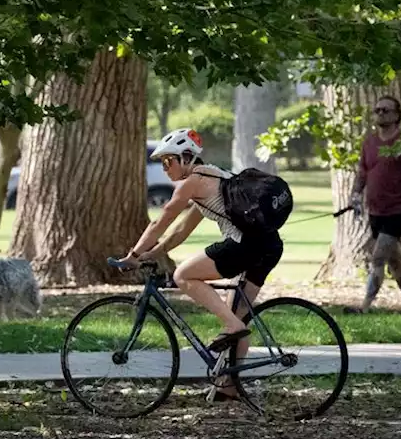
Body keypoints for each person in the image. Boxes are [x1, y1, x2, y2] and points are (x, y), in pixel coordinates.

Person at [118, 127, 285, 401]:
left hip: (244, 245)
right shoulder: (212, 177)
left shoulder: (192, 182)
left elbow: (163, 219)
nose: (165, 168)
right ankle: (229, 387)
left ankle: (233, 327)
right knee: (237, 313)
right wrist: (156, 252)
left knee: (184, 275)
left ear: (185, 157)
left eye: (168, 161)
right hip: (268, 245)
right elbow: (182, 230)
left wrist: (134, 255)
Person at [345, 95, 401, 315]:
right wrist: (355, 195)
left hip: (398, 211)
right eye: (377, 110)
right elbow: (362, 173)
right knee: (396, 262)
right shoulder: (370, 142)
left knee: (378, 257)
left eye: (385, 110)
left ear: (396, 115)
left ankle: (364, 307)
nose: (380, 114)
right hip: (376, 211)